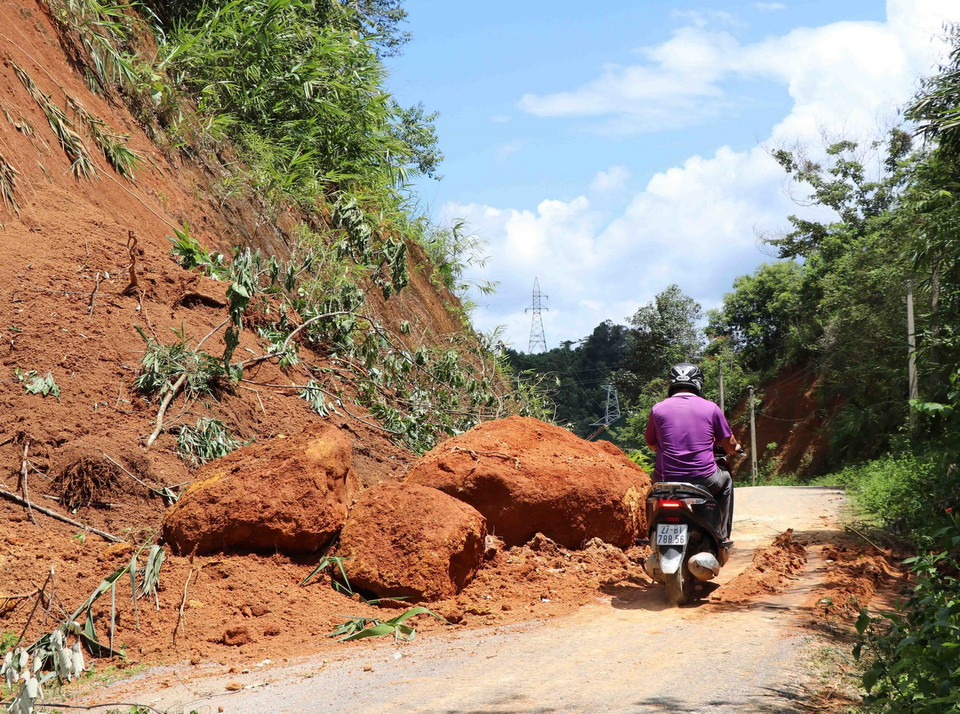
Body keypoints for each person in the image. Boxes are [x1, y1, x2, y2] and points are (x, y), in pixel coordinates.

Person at [644, 363, 741, 541]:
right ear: (698, 384)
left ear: (670, 384)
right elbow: (729, 445)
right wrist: (736, 449)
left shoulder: (657, 409)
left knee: (651, 490)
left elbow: (651, 443)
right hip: (704, 479)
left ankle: (648, 532)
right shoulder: (711, 408)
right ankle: (722, 535)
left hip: (664, 479)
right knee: (726, 478)